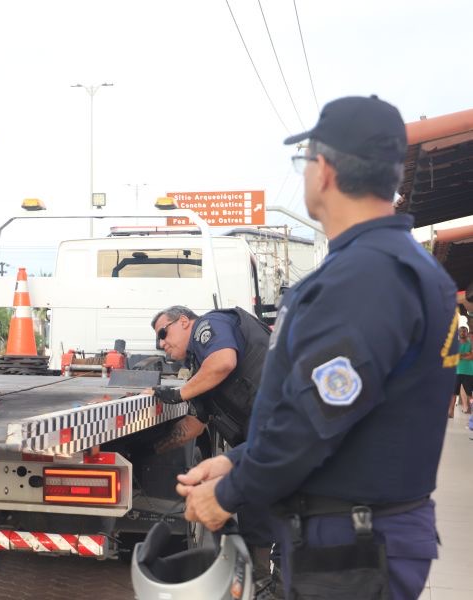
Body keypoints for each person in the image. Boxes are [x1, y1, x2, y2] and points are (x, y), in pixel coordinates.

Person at [176, 96, 458, 600]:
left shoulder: (368, 277)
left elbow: (314, 417)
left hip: (351, 548)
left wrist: (230, 492)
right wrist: (238, 460)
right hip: (355, 538)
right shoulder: (391, 267)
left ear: (323, 169)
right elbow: (332, 409)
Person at [149, 305, 280, 597]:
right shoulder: (201, 370)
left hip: (280, 430)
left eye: (163, 333)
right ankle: (260, 582)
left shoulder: (210, 325)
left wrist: (177, 393)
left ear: (184, 321)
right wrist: (155, 447)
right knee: (255, 511)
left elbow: (224, 362)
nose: (161, 344)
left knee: (268, 511)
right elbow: (195, 424)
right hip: (262, 440)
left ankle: (266, 584)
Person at [451, 322, 472, 417]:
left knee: (469, 394)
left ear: (467, 333)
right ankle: (451, 412)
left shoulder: (471, 344)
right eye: (461, 331)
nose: (463, 333)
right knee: (453, 393)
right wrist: (465, 354)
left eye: (464, 331)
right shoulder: (454, 344)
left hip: (468, 372)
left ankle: (470, 410)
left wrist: (460, 356)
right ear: (458, 333)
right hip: (456, 372)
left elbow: (471, 356)